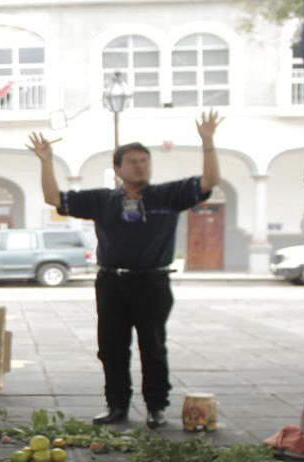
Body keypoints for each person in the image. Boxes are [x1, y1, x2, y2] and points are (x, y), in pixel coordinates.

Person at [29, 111, 222, 429]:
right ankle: (117, 405)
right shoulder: (102, 200)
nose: (140, 165)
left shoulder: (166, 195)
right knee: (111, 347)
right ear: (117, 168)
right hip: (111, 282)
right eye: (132, 161)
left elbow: (208, 183)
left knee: (153, 347)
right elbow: (54, 198)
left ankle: (156, 407)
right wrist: (46, 160)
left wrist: (207, 142)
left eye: (144, 161)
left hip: (153, 282)